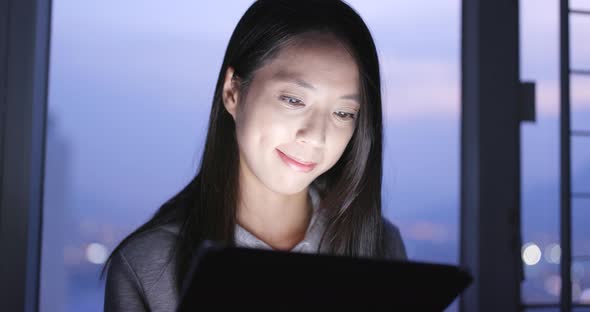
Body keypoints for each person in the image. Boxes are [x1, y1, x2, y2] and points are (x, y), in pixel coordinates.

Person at [102, 0, 407, 311]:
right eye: (293, 99)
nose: (316, 136)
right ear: (233, 92)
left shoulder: (378, 245)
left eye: (343, 113)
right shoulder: (150, 265)